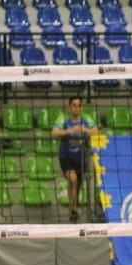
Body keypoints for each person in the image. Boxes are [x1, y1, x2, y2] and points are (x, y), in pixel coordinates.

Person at [51, 95, 98, 223]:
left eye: (79, 105)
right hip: (65, 156)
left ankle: (73, 207)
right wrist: (70, 131)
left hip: (81, 157)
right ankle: (74, 210)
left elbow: (95, 131)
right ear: (69, 107)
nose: (76, 108)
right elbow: (54, 132)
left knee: (76, 185)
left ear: (81, 107)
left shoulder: (86, 118)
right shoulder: (63, 118)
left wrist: (85, 130)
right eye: (74, 105)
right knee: (72, 178)